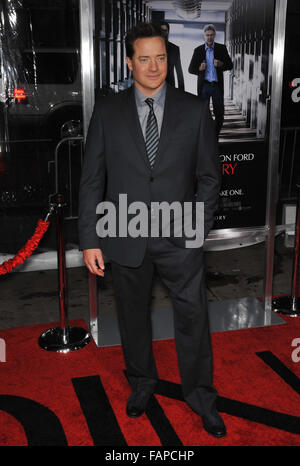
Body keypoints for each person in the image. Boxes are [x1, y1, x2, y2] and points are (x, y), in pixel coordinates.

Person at [78, 22, 226, 438]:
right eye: (144, 58)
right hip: (124, 232)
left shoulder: (194, 109)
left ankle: (201, 397)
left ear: (168, 58)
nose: (153, 66)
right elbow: (92, 180)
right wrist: (89, 239)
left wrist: (197, 226)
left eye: (160, 57)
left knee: (193, 319)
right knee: (132, 317)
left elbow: (210, 178)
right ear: (129, 62)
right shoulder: (107, 112)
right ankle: (142, 382)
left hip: (181, 238)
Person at [188, 24, 233, 137]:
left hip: (217, 86)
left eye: (211, 35)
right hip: (204, 86)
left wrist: (221, 64)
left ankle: (215, 135)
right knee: (203, 113)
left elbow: (230, 65)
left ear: (214, 35)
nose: (209, 37)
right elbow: (191, 69)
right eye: (207, 35)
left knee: (219, 113)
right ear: (204, 35)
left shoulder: (221, 48)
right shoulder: (198, 50)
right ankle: (206, 135)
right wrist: (199, 68)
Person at [160, 21, 185, 90]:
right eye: (161, 30)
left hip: (169, 86)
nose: (163, 33)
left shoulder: (174, 49)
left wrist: (181, 92)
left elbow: (179, 71)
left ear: (168, 32)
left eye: (165, 30)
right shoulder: (151, 48)